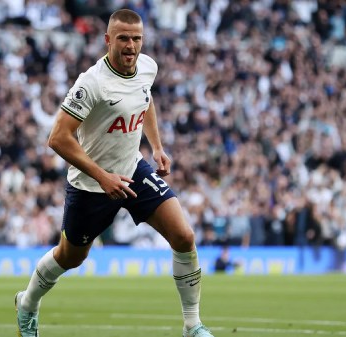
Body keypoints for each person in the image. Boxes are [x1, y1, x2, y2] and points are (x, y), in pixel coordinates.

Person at [14, 9, 215, 337]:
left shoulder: (147, 67)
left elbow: (144, 99)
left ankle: (192, 325)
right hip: (91, 185)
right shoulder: (92, 83)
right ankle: (27, 303)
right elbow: (58, 138)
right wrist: (102, 176)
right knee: (71, 257)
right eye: (123, 38)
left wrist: (157, 146)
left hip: (133, 170)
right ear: (108, 40)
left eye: (136, 39)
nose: (131, 45)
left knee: (184, 236)